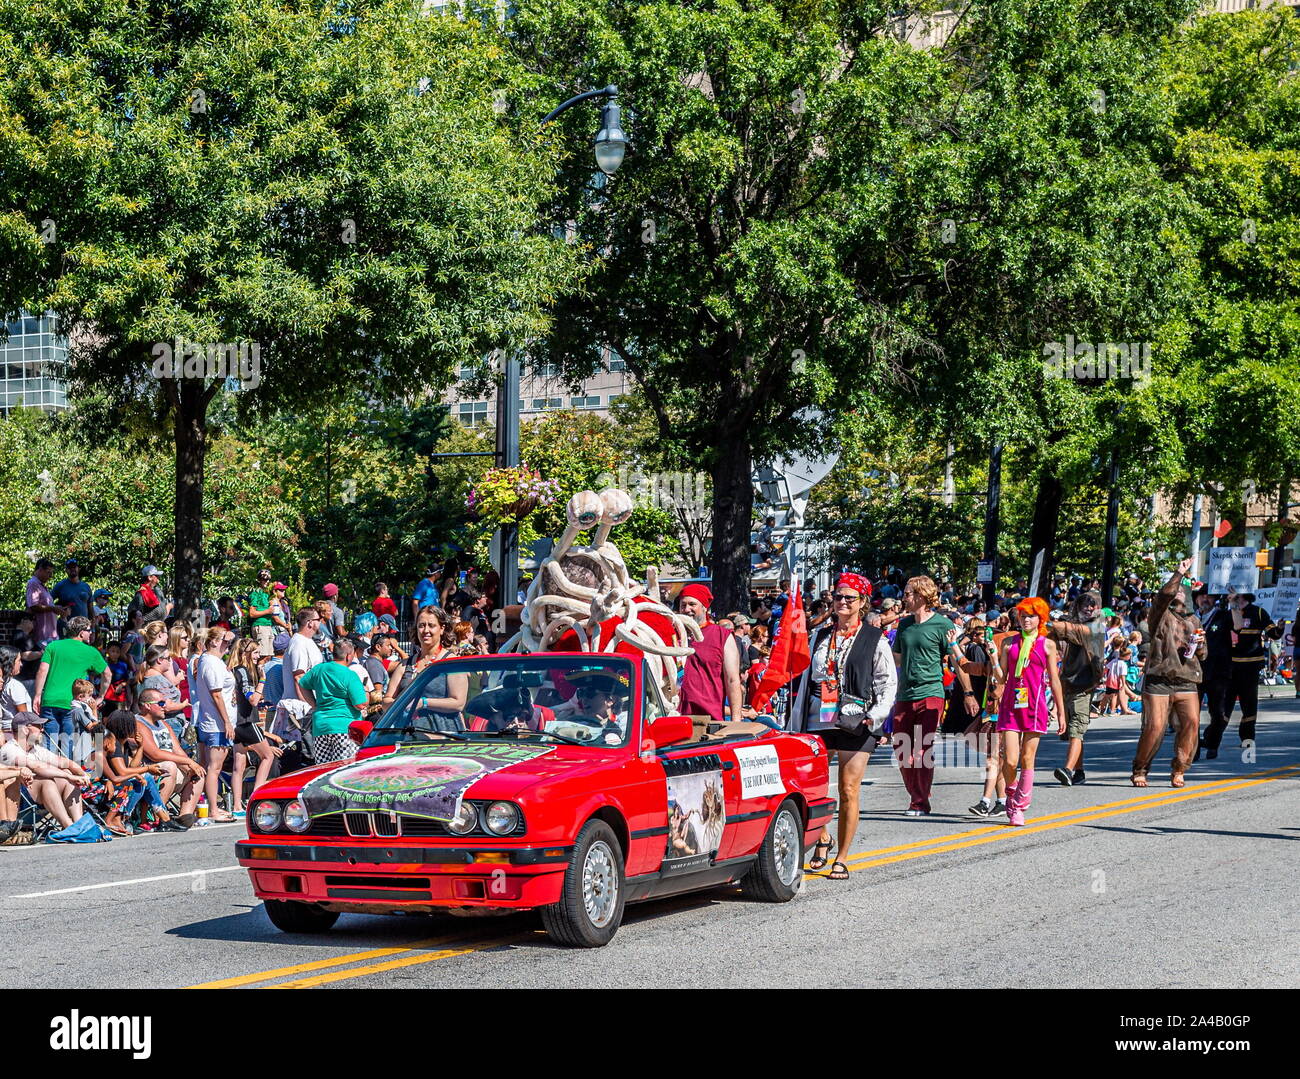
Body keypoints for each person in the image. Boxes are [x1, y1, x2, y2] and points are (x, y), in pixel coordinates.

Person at [796, 572, 896, 879]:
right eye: (837, 597)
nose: (841, 602)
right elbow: (806, 675)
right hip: (818, 718)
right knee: (812, 788)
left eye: (848, 598)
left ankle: (841, 855)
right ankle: (822, 836)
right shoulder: (821, 636)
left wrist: (875, 716)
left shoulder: (874, 639)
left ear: (862, 603)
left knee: (848, 789)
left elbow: (886, 681)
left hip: (856, 719)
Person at [892, 576, 978, 816]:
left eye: (908, 593)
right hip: (905, 693)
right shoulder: (905, 625)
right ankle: (918, 791)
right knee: (901, 749)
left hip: (931, 692)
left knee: (921, 748)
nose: (904, 598)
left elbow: (957, 660)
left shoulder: (942, 625)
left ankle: (919, 802)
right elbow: (896, 658)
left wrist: (968, 693)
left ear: (921, 596)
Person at [991, 597, 1066, 826]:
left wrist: (1061, 712)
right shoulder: (1008, 643)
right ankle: (1012, 794)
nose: (1026, 620)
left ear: (1040, 618)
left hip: (1035, 707)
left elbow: (1054, 680)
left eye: (1031, 616)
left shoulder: (1047, 644)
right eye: (1023, 616)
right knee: (1011, 760)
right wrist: (994, 658)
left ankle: (1018, 807)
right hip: (1011, 707)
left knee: (1027, 758)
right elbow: (1002, 677)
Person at [1131, 559, 1205, 789]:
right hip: (1159, 680)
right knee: (1155, 726)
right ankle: (1140, 768)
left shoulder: (1195, 620)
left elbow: (1202, 655)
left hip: (1187, 680)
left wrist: (1199, 644)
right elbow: (1164, 595)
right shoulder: (1160, 616)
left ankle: (1180, 768)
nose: (1179, 593)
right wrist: (1179, 573)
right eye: (1177, 591)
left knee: (1192, 724)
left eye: (1183, 591)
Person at [32, 616, 109, 760]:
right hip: (73, 704)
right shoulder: (90, 652)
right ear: (81, 633)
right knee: (68, 743)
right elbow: (107, 674)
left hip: (50, 701)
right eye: (89, 630)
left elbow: (42, 670)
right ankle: (66, 778)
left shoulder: (53, 646)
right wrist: (101, 697)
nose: (91, 633)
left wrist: (37, 695)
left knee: (50, 743)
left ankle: (50, 778)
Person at [380, 607, 466, 727]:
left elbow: (458, 703)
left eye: (431, 625)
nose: (426, 630)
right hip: (406, 736)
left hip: (442, 737)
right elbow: (386, 701)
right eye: (421, 625)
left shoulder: (452, 662)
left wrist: (423, 703)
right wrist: (401, 704)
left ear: (442, 629)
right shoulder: (405, 664)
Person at [0, 715, 89, 830]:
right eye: (38, 726)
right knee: (46, 781)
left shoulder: (35, 749)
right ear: (25, 729)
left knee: (66, 775)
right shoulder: (9, 749)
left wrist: (82, 775)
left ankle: (79, 824)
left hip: (35, 797)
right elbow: (37, 767)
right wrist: (70, 776)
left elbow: (66, 762)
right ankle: (68, 827)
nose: (42, 729)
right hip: (18, 805)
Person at [1220, 589, 1281, 750]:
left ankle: (1247, 739)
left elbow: (1273, 634)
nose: (1230, 596)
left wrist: (1280, 628)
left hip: (1251, 666)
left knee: (1249, 705)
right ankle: (1213, 739)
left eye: (1234, 594)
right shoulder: (1228, 612)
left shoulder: (1258, 612)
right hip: (1230, 666)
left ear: (1243, 595)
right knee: (1224, 704)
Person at [676, 584, 745, 723]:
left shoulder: (721, 635)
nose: (686, 609)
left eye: (692, 604)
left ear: (704, 607)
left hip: (708, 717)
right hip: (673, 716)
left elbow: (732, 679)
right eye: (683, 605)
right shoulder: (671, 634)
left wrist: (735, 720)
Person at [135, 689, 205, 826]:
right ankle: (159, 817)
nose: (165, 706)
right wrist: (188, 761)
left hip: (167, 771)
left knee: (199, 773)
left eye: (165, 702)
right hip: (148, 770)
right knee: (170, 766)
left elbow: (178, 750)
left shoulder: (164, 724)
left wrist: (191, 767)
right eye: (160, 703)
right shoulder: (139, 724)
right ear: (147, 706)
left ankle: (184, 817)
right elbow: (155, 754)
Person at [229, 638, 282, 814]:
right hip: (247, 722)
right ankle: (255, 797)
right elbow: (251, 698)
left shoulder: (236, 670)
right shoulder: (243, 671)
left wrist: (260, 702)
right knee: (268, 756)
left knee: (239, 765)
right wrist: (263, 679)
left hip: (238, 721)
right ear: (246, 653)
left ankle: (237, 805)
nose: (258, 656)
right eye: (256, 652)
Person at [191, 626, 238, 822]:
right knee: (214, 767)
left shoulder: (211, 661)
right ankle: (213, 809)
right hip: (215, 723)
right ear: (214, 642)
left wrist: (229, 637)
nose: (227, 646)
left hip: (213, 721)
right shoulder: (210, 663)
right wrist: (226, 722)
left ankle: (204, 806)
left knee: (210, 766)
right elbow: (216, 694)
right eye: (224, 642)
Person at [298, 639, 370, 764]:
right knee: (343, 770)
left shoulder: (319, 669)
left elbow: (302, 684)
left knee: (323, 769)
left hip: (321, 727)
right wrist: (366, 691)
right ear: (348, 656)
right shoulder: (349, 675)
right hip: (345, 728)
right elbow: (360, 704)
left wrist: (314, 704)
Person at [137, 646, 188, 744]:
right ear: (159, 660)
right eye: (168, 658)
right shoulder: (158, 680)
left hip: (159, 723)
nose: (171, 661)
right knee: (169, 753)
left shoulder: (147, 676)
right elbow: (166, 706)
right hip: (169, 723)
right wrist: (183, 704)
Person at [284, 607, 325, 703]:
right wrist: (312, 706)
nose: (321, 622)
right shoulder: (298, 643)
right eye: (318, 620)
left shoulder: (307, 641)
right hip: (302, 707)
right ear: (310, 623)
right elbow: (299, 677)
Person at [0, 644, 33, 744]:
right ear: (10, 663)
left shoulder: (3, 683)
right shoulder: (15, 686)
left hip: (4, 732)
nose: (21, 664)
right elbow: (23, 716)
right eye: (19, 660)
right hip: (17, 734)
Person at [25, 557, 60, 649]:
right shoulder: (33, 584)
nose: (51, 575)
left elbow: (46, 606)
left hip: (50, 634)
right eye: (48, 572)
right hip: (42, 636)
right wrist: (53, 608)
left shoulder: (41, 586)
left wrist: (56, 608)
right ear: (40, 569)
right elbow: (33, 606)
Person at [247, 569, 276, 657]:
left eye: (268, 579)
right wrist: (267, 611)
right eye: (264, 579)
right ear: (259, 580)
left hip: (268, 625)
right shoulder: (255, 593)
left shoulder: (267, 593)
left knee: (269, 656)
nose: (266, 581)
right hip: (260, 626)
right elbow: (252, 613)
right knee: (262, 656)